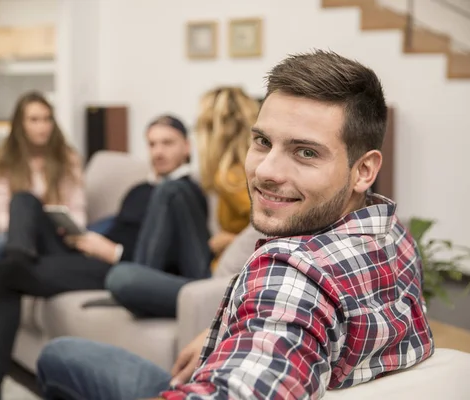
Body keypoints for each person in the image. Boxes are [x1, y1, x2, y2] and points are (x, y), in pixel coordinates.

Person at [36, 50, 434, 400]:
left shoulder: (290, 275)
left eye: (306, 152)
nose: (266, 170)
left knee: (60, 355)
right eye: (262, 141)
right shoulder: (390, 231)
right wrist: (219, 332)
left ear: (364, 170)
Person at [0, 114, 208, 400]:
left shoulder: (183, 194)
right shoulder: (139, 189)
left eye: (167, 143)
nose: (158, 151)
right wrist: (80, 235)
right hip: (89, 253)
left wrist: (113, 252)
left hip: (112, 268)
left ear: (187, 147)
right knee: (23, 200)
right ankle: (18, 257)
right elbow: (118, 225)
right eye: (152, 144)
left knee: (4, 276)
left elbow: (161, 261)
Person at [105, 87, 258, 318]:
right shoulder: (225, 174)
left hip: (212, 280)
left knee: (171, 190)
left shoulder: (233, 178)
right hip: (207, 267)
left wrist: (232, 239)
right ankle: (142, 281)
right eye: (153, 144)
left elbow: (277, 229)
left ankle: (142, 282)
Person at [0, 91, 86, 364]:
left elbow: (77, 207)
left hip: (52, 234)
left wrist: (73, 227)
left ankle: (17, 269)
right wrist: (21, 232)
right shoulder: (4, 158)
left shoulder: (67, 157)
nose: (42, 126)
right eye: (34, 119)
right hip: (14, 234)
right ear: (21, 124)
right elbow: (0, 210)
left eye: (47, 119)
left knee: (22, 216)